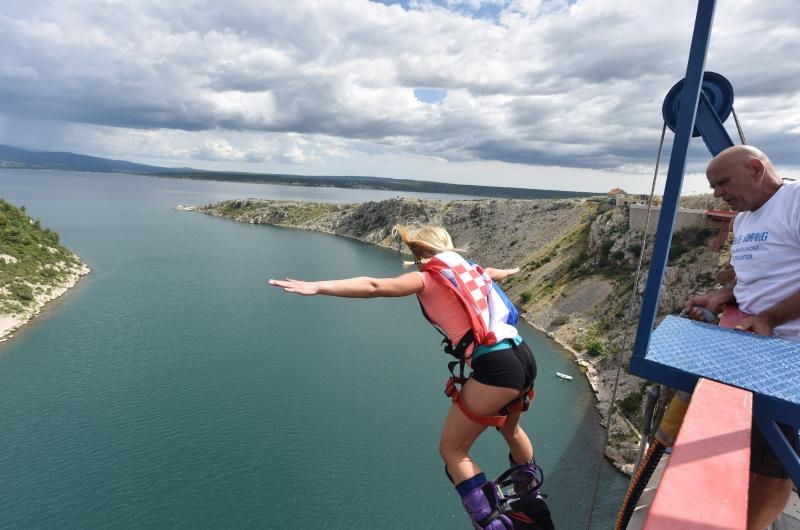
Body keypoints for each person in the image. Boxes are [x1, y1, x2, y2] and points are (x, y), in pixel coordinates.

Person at [269, 225, 544, 529]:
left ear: (418, 254)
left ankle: (493, 523)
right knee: (512, 430)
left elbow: (374, 286)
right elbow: (494, 273)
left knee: (452, 451)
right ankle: (530, 494)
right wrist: (510, 270)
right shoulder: (473, 272)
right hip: (524, 357)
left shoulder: (426, 278)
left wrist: (318, 286)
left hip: (496, 367)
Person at [685, 145, 800, 530]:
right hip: (752, 347)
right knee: (746, 448)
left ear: (755, 169)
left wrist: (769, 317)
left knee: (775, 463)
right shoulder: (743, 221)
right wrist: (722, 296)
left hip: (789, 351)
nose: (717, 193)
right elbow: (752, 277)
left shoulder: (795, 201)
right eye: (713, 186)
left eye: (722, 182)